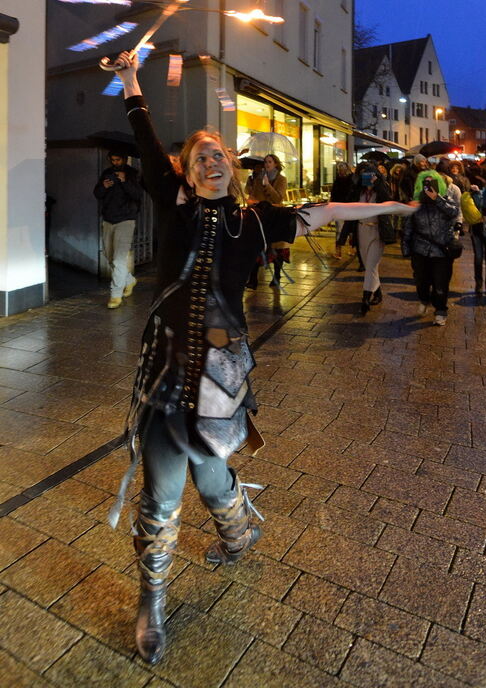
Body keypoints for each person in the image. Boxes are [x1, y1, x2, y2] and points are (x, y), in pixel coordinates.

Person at [110, 51, 415, 665]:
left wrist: (387, 207)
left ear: (232, 167)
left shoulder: (255, 221)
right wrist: (131, 82)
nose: (212, 159)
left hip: (223, 373)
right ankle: (153, 599)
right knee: (162, 487)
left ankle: (236, 527)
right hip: (167, 369)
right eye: (200, 156)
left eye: (219, 152)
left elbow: (327, 212)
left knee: (209, 468)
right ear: (185, 172)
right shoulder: (172, 204)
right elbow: (144, 142)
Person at [402, 170, 458, 326]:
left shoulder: (446, 201)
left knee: (440, 284)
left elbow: (454, 212)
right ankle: (424, 299)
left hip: (441, 252)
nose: (428, 187)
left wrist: (437, 199)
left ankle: (441, 310)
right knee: (421, 281)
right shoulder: (415, 204)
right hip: (420, 250)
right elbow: (407, 227)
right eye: (425, 183)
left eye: (431, 183)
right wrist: (405, 249)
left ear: (438, 184)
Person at [338, 161, 394, 315]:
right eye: (365, 176)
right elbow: (349, 211)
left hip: (377, 231)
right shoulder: (358, 192)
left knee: (371, 266)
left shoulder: (381, 191)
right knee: (371, 268)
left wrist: (379, 184)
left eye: (371, 175)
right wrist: (342, 237)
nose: (368, 178)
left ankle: (365, 299)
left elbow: (389, 201)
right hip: (361, 231)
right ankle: (378, 293)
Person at [93, 151, 142, 308]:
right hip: (108, 219)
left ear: (125, 158)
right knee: (109, 255)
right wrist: (104, 186)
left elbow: (138, 195)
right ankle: (129, 280)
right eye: (112, 159)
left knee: (119, 259)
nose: (115, 162)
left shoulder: (133, 174)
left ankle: (115, 295)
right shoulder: (107, 173)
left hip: (126, 220)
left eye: (117, 159)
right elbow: (97, 193)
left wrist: (125, 181)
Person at [244, 153, 289, 288]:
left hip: (276, 217)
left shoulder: (281, 179)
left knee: (277, 248)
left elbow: (278, 199)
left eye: (270, 162)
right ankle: (253, 279)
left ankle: (276, 276)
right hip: (261, 217)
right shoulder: (258, 178)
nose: (267, 164)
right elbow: (253, 195)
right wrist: (251, 199)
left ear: (275, 164)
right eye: (265, 162)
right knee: (257, 247)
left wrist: (268, 185)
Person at [330, 161, 353, 258]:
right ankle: (338, 251)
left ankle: (351, 248)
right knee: (339, 229)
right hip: (339, 207)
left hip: (349, 207)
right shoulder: (338, 180)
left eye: (342, 168)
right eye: (340, 169)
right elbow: (333, 194)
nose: (341, 170)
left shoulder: (352, 179)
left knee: (350, 229)